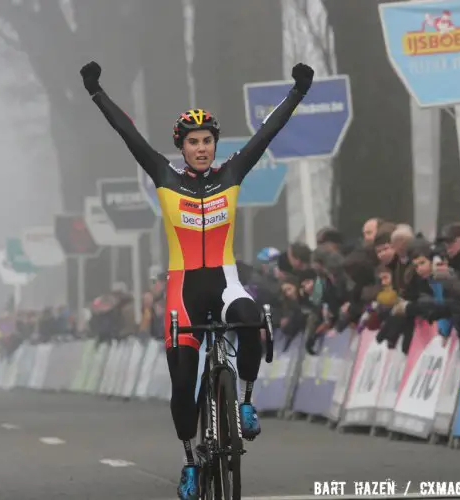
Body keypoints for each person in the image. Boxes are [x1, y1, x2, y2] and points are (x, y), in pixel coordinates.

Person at [80, 59, 313, 499]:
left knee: (248, 317)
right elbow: (128, 133)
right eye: (193, 142)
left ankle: (243, 401)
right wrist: (96, 92)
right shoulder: (164, 177)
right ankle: (190, 459)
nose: (202, 148)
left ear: (214, 145)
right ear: (181, 147)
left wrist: (298, 93)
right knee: (183, 383)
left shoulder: (232, 173)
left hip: (225, 281)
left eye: (207, 141)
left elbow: (268, 131)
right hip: (182, 290)